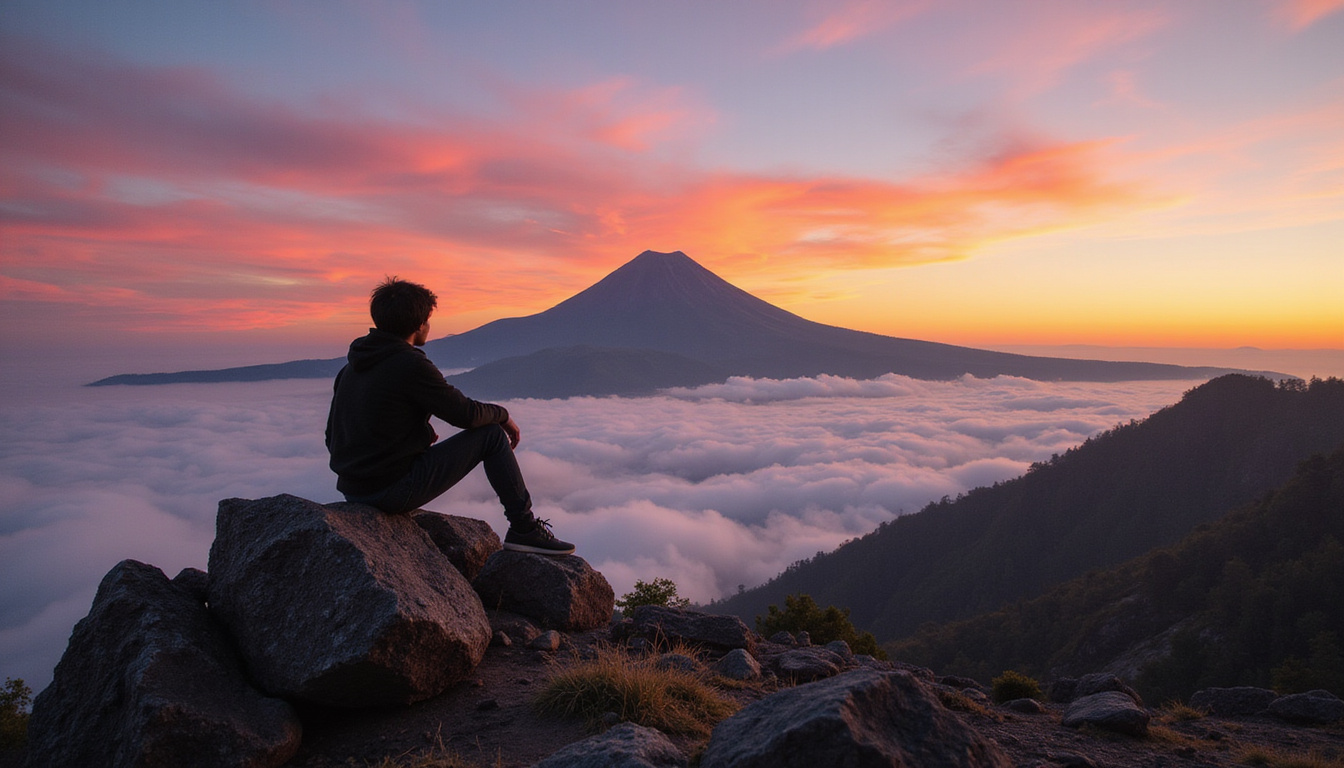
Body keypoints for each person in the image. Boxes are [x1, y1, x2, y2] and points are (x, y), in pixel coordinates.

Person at [325, 277, 574, 555]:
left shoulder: (351, 368)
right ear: (419, 324)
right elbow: (466, 414)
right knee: (490, 435)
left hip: (352, 489)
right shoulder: (410, 363)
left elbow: (332, 436)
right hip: (388, 492)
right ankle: (524, 528)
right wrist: (502, 415)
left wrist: (412, 440)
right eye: (428, 320)